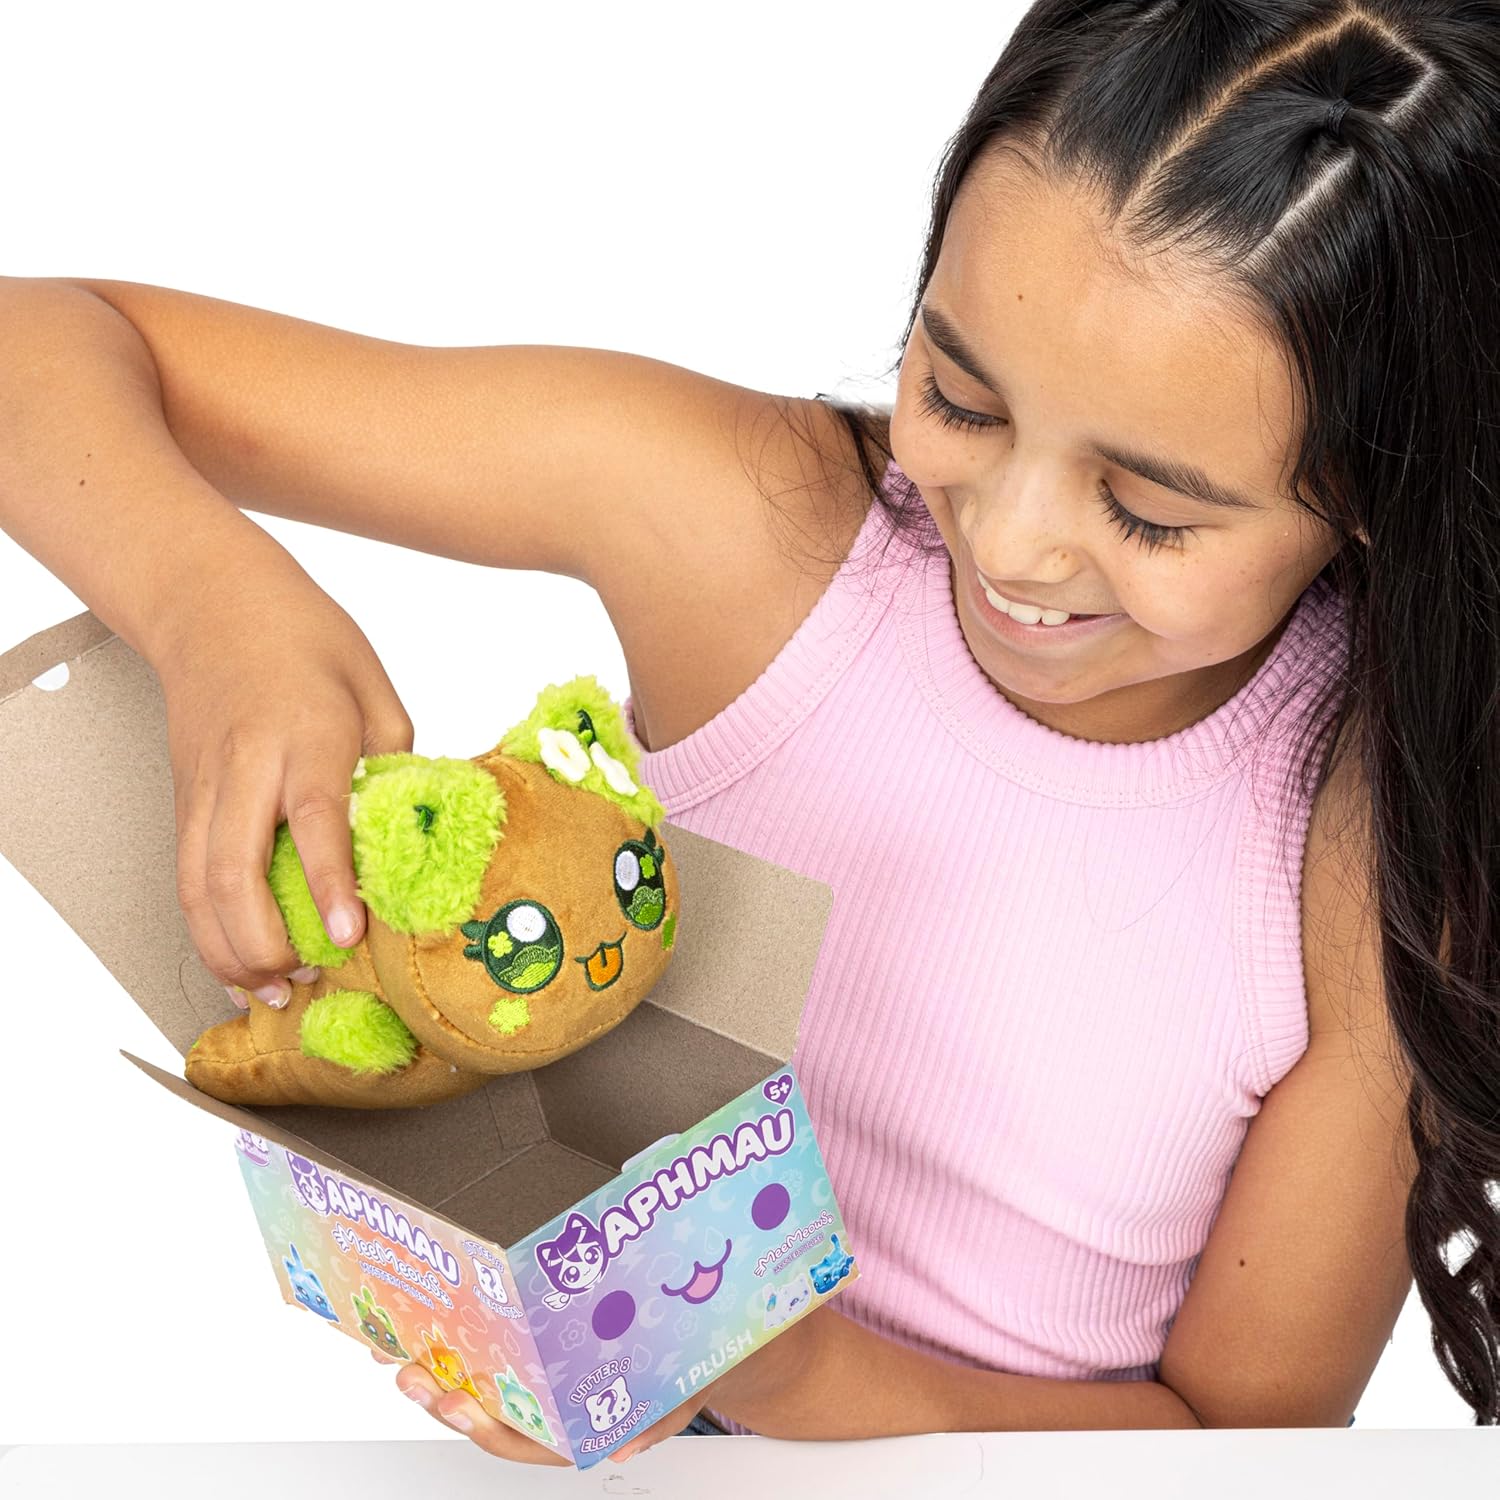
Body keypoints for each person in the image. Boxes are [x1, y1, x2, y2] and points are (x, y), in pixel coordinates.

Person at [1, 0, 1496, 1463]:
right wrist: (214, 606)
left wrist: (795, 1376)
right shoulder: (748, 527)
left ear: (1379, 488)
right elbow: (39, 336)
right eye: (958, 396)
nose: (1012, 542)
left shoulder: (1382, 837)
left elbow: (1245, 1438)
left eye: (1150, 509)